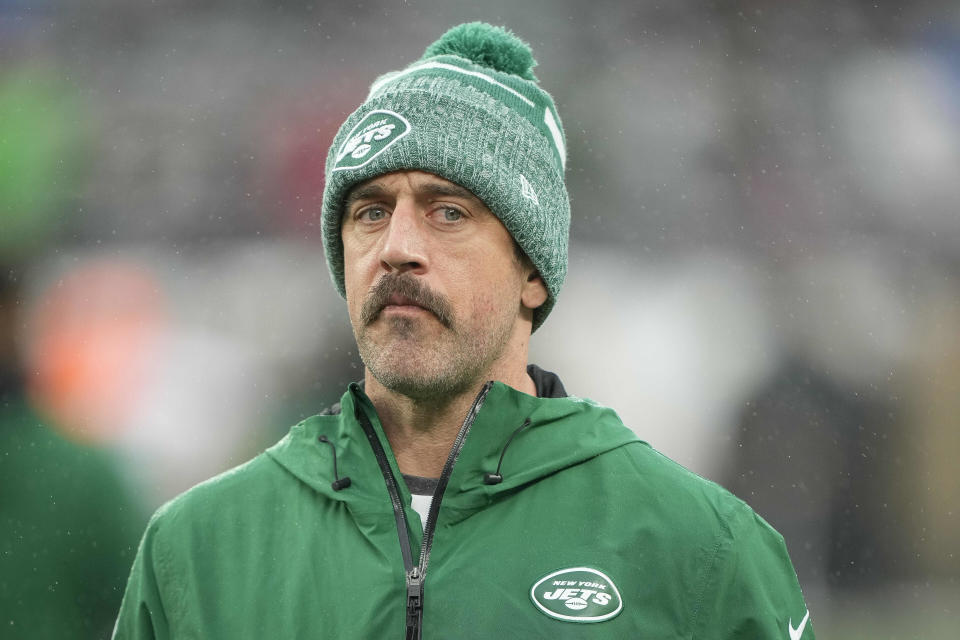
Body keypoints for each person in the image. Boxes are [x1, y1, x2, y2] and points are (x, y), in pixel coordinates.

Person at [114, 22, 815, 639]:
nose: (397, 245)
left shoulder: (699, 550)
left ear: (532, 273)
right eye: (369, 211)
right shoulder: (198, 551)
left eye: (447, 211)